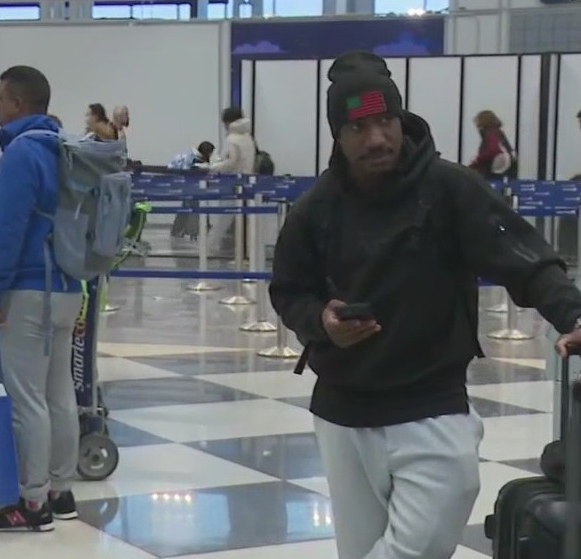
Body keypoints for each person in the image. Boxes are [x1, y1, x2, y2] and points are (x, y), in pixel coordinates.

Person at [268, 50, 581, 559]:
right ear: (337, 135)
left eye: (385, 121)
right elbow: (289, 290)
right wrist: (322, 322)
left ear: (401, 118)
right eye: (358, 127)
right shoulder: (316, 209)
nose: (376, 138)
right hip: (343, 416)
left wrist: (573, 313)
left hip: (433, 410)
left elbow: (526, 261)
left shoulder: (450, 189)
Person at [0, 65, 84, 533]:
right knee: (60, 394)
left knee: (28, 401)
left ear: (17, 103)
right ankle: (61, 492)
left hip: (27, 289)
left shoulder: (22, 154)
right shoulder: (66, 149)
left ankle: (33, 502)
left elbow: (7, 229)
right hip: (68, 287)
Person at [205, 106, 257, 255]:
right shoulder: (248, 137)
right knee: (245, 222)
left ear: (228, 122)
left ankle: (209, 250)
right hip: (247, 183)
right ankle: (246, 254)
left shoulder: (232, 139)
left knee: (222, 220)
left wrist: (213, 167)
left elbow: (231, 162)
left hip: (231, 184)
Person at [468, 109, 517, 181]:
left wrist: (477, 160)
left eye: (478, 122)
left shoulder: (490, 134)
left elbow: (493, 151)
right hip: (506, 172)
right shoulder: (498, 133)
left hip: (494, 173)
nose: (477, 126)